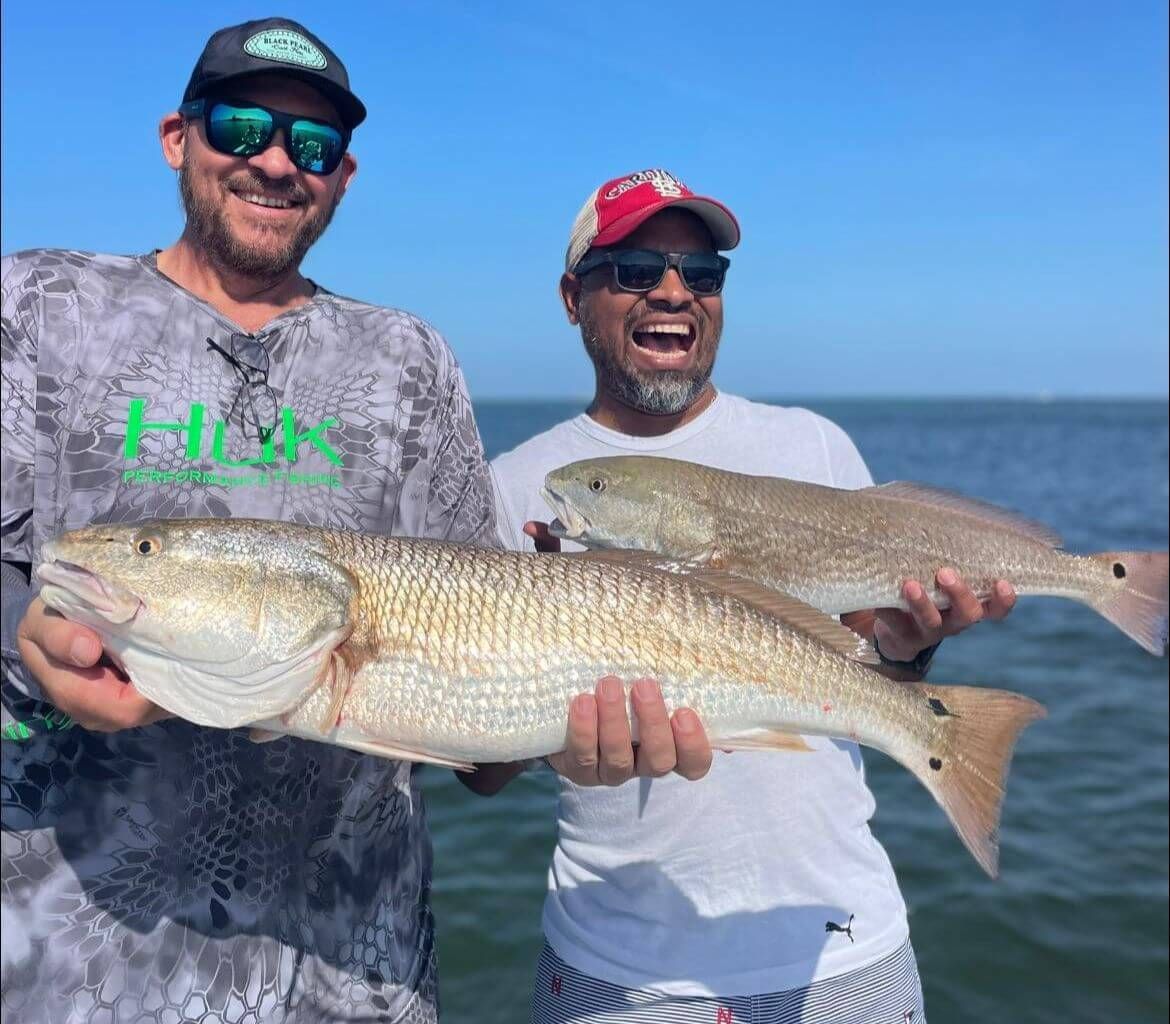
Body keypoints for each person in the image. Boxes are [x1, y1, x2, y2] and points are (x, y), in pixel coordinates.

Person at [0, 18, 501, 1023]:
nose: (276, 161)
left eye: (310, 146)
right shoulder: (36, 305)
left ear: (344, 176)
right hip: (73, 973)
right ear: (176, 137)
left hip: (357, 977)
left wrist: (566, 732)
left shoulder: (412, 363)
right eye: (242, 125)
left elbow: (489, 694)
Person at [486, 169, 1019, 1022]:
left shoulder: (813, 446)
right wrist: (546, 733)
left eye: (702, 274)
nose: (674, 292)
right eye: (634, 269)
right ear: (571, 295)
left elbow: (875, 677)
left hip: (843, 947)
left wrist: (910, 644)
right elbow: (480, 766)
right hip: (620, 968)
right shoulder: (516, 488)